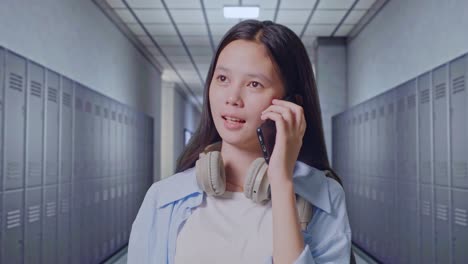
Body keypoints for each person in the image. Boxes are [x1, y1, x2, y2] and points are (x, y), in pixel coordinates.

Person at [127, 20, 352, 264]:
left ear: (290, 105)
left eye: (254, 84)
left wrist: (282, 181)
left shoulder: (325, 197)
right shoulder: (163, 198)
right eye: (222, 78)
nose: (232, 98)